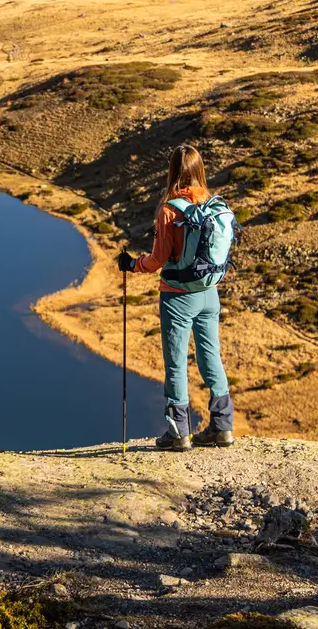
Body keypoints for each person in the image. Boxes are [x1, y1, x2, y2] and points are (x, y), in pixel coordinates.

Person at [117, 145, 235, 451]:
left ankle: (178, 432)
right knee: (211, 357)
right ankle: (222, 427)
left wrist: (131, 264)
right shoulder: (211, 203)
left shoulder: (170, 209)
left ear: (172, 171)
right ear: (199, 170)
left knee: (176, 364)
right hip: (209, 294)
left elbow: (157, 261)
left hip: (177, 298)